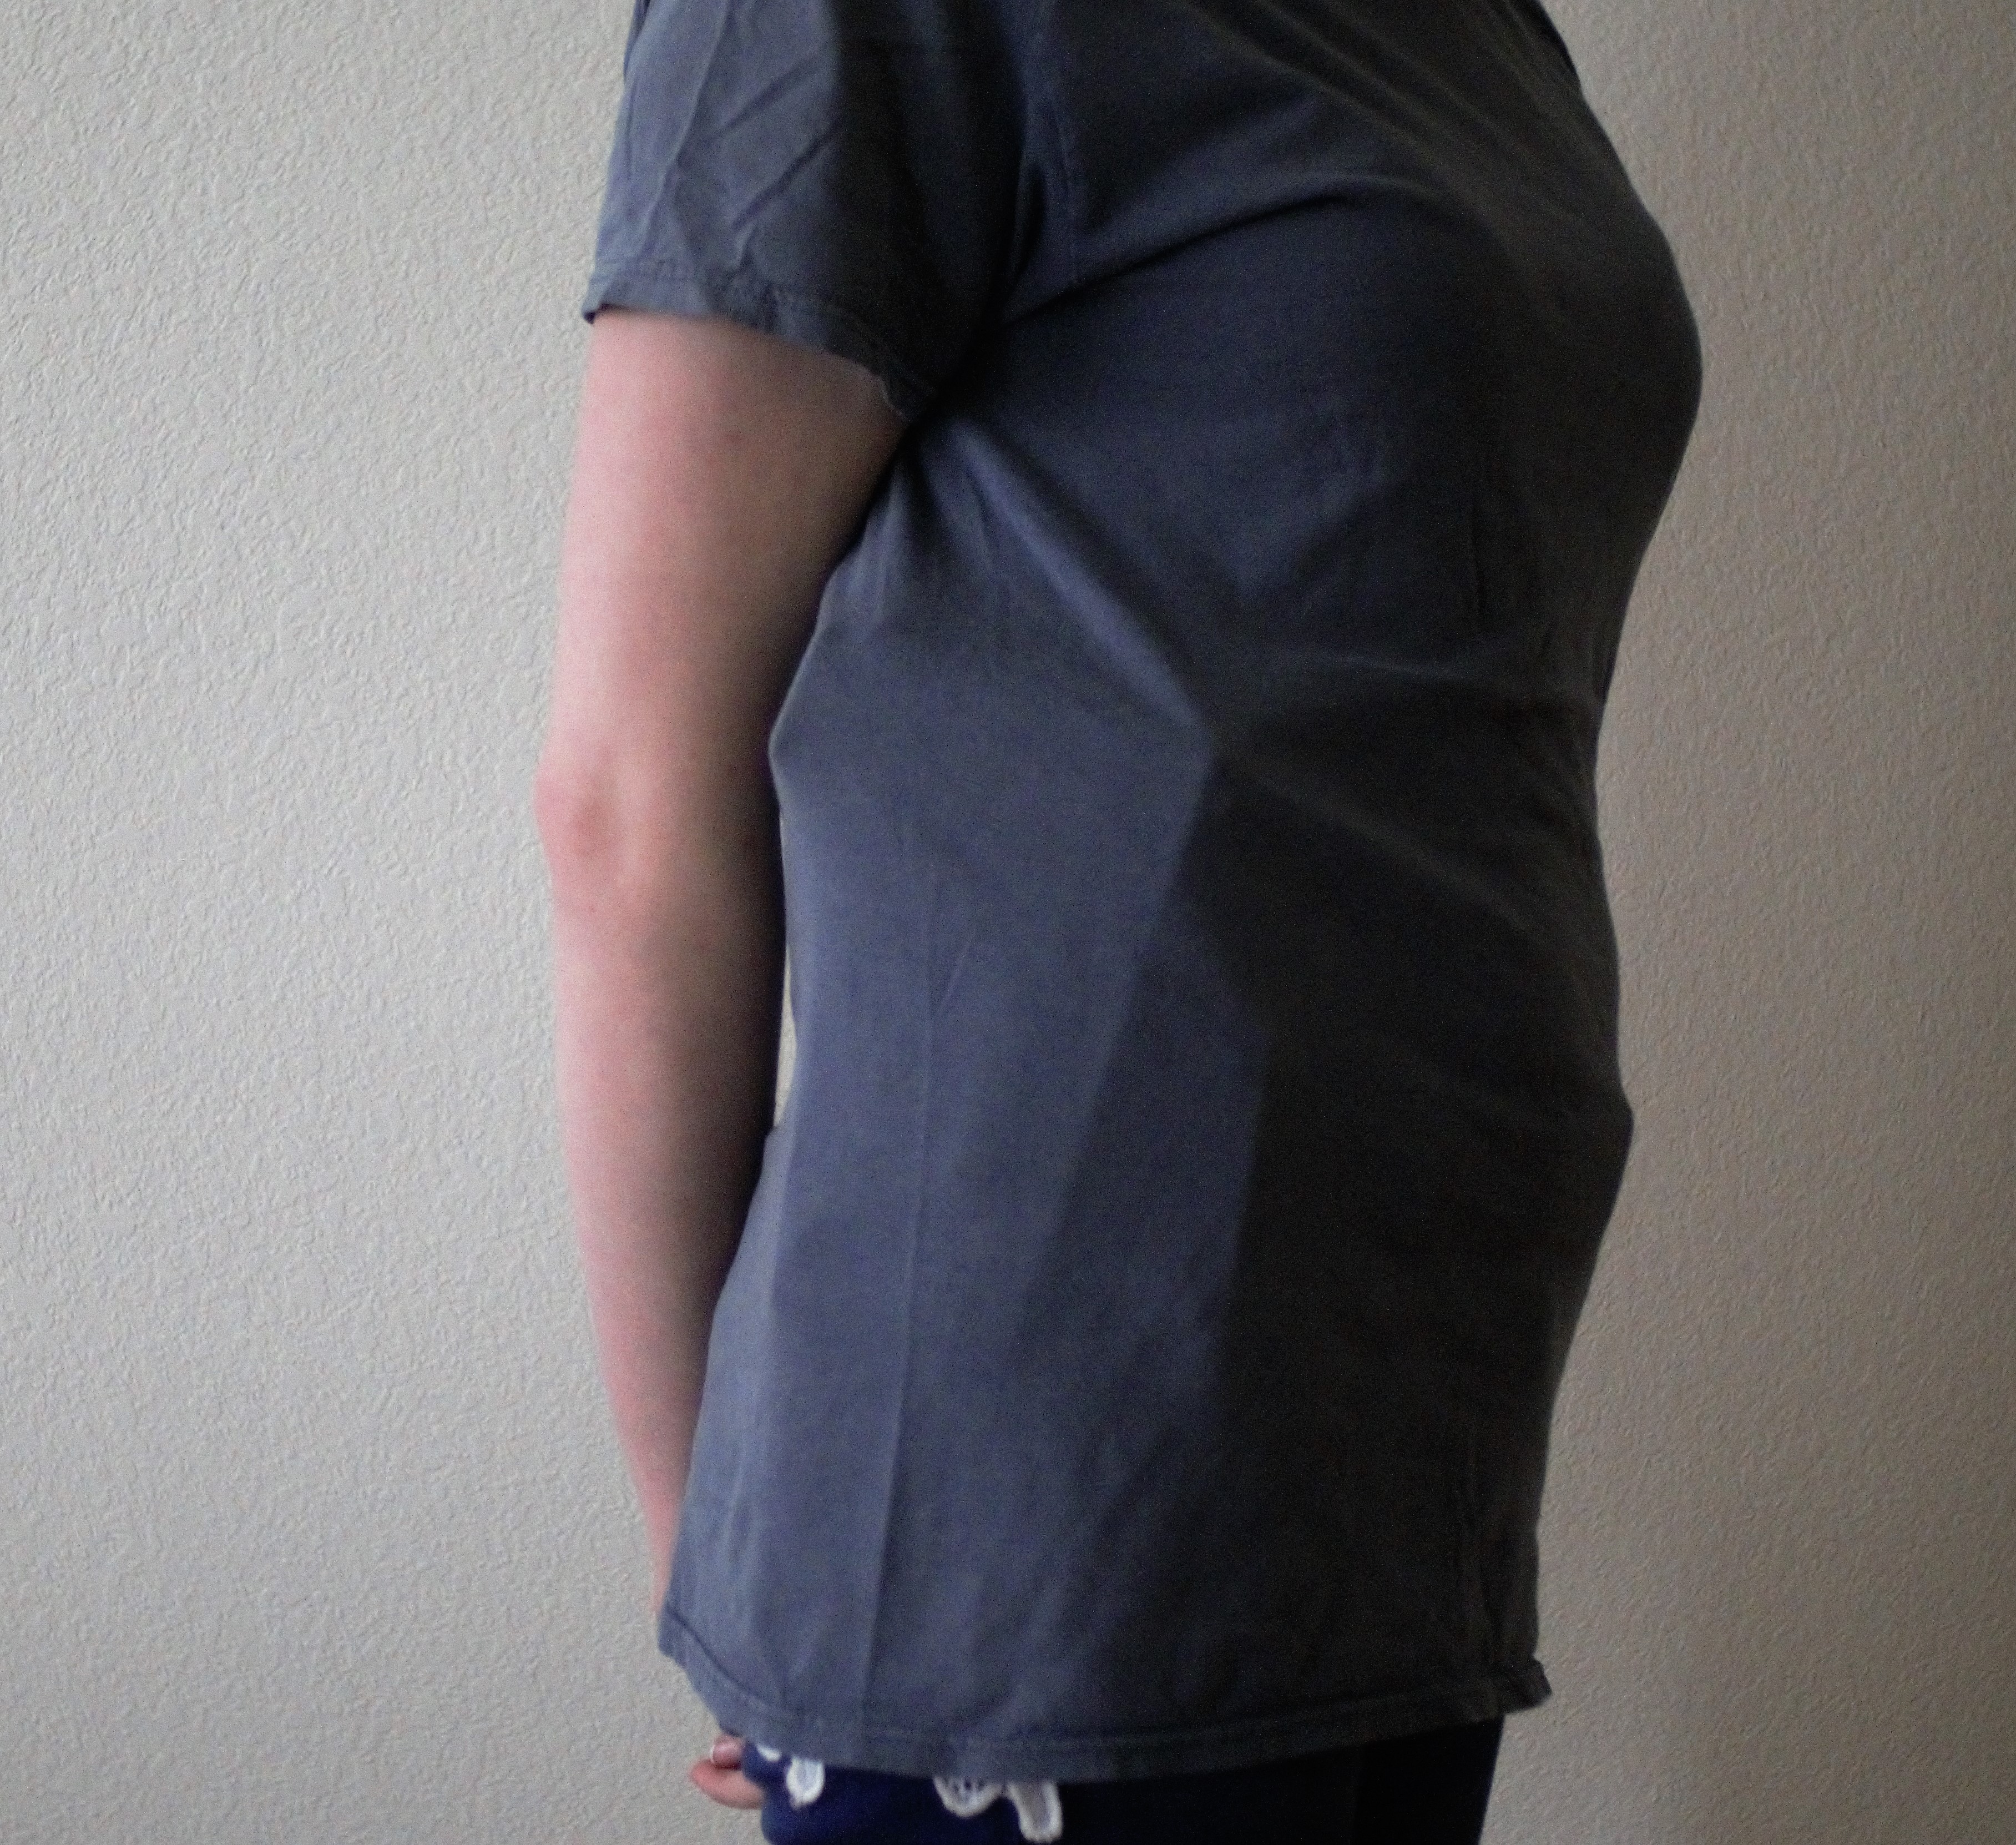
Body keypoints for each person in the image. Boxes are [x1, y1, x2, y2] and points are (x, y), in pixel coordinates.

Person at [534, 0, 1701, 1838]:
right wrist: (721, 1550)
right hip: (1035, 1487)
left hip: (1410, 1430)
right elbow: (628, 798)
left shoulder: (1487, 31)